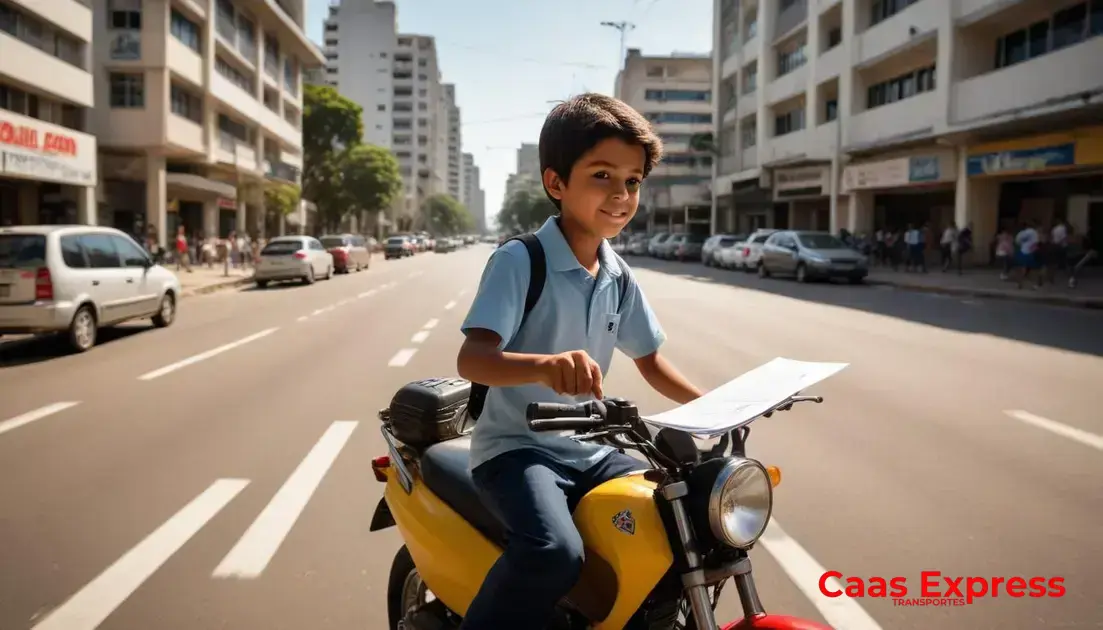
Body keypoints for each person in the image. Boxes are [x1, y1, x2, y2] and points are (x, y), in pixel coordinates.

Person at [455, 93, 703, 629]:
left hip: (594, 450)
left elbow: (651, 361)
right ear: (556, 183)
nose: (620, 195)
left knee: (683, 517)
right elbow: (473, 359)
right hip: (518, 452)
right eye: (602, 176)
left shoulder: (618, 273)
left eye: (633, 181)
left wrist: (716, 406)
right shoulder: (521, 259)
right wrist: (544, 365)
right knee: (553, 552)